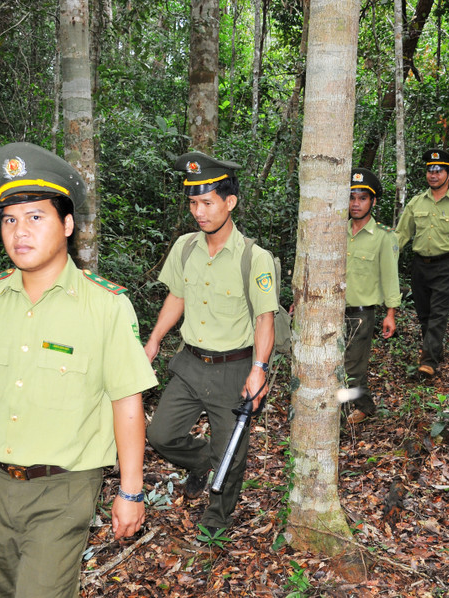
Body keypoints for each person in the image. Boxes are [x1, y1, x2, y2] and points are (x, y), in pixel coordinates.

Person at [0, 142, 157, 598]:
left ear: (67, 225)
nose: (20, 231)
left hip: (64, 487)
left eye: (36, 216)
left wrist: (131, 490)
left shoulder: (105, 306)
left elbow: (126, 401)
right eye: (10, 219)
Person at [144, 151, 278, 536]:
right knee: (161, 435)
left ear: (230, 202)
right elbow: (177, 298)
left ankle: (216, 520)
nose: (198, 212)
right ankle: (202, 460)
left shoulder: (254, 257)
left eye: (207, 202)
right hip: (189, 364)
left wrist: (259, 370)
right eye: (192, 203)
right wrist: (153, 341)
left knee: (231, 454)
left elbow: (264, 318)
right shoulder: (186, 247)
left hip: (233, 368)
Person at [395, 149, 449, 377]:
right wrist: (387, 258)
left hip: (446, 264)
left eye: (438, 170)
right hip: (420, 265)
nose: (433, 175)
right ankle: (434, 348)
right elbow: (401, 235)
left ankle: (429, 362)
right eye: (429, 170)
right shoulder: (416, 203)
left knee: (438, 314)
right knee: (424, 313)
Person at [343, 167, 401, 424]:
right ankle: (363, 405)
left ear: (373, 201)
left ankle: (351, 414)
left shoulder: (383, 237)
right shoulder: (337, 231)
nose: (355, 204)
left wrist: (391, 313)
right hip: (333, 312)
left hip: (361, 314)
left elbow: (390, 276)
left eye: (362, 198)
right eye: (351, 197)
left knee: (351, 369)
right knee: (340, 366)